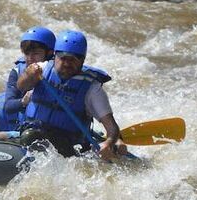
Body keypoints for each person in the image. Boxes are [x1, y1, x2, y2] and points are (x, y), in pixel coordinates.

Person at [17, 30, 127, 161]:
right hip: (31, 131)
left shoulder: (92, 89)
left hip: (68, 144)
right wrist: (28, 75)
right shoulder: (41, 69)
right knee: (26, 135)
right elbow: (21, 86)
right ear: (55, 56)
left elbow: (112, 127)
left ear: (82, 60)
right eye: (63, 58)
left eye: (73, 59)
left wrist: (108, 143)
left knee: (31, 136)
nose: (67, 64)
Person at [0, 26, 56, 133]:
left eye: (36, 53)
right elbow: (8, 106)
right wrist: (23, 102)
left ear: (49, 53)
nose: (30, 58)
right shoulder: (17, 72)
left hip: (53, 129)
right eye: (27, 53)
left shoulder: (59, 73)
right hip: (25, 129)